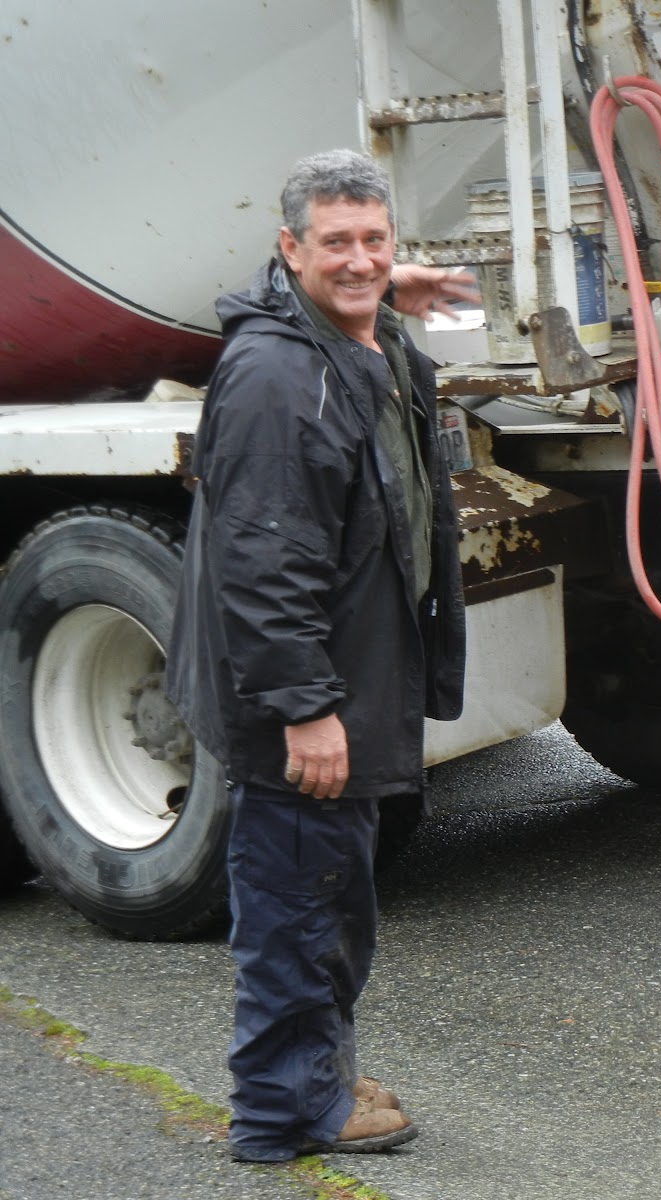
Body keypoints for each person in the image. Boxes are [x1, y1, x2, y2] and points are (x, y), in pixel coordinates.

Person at [166, 148, 472, 1163]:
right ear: (287, 249)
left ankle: (314, 1073)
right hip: (307, 697)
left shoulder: (341, 334)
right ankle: (286, 1109)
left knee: (329, 896)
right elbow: (263, 559)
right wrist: (304, 703)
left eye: (374, 242)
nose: (358, 260)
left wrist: (384, 295)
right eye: (334, 244)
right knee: (300, 903)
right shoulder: (276, 381)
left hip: (348, 673)